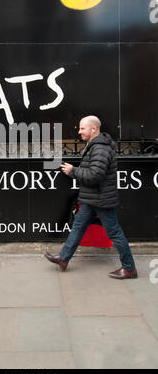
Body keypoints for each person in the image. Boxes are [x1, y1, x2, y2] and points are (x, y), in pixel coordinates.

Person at [45, 115, 138, 279]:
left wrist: (73, 171)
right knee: (78, 227)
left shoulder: (100, 148)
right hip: (92, 199)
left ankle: (129, 268)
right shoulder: (95, 145)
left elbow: (95, 175)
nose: (79, 131)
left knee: (114, 232)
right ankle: (63, 258)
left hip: (101, 200)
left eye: (82, 128)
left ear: (93, 129)